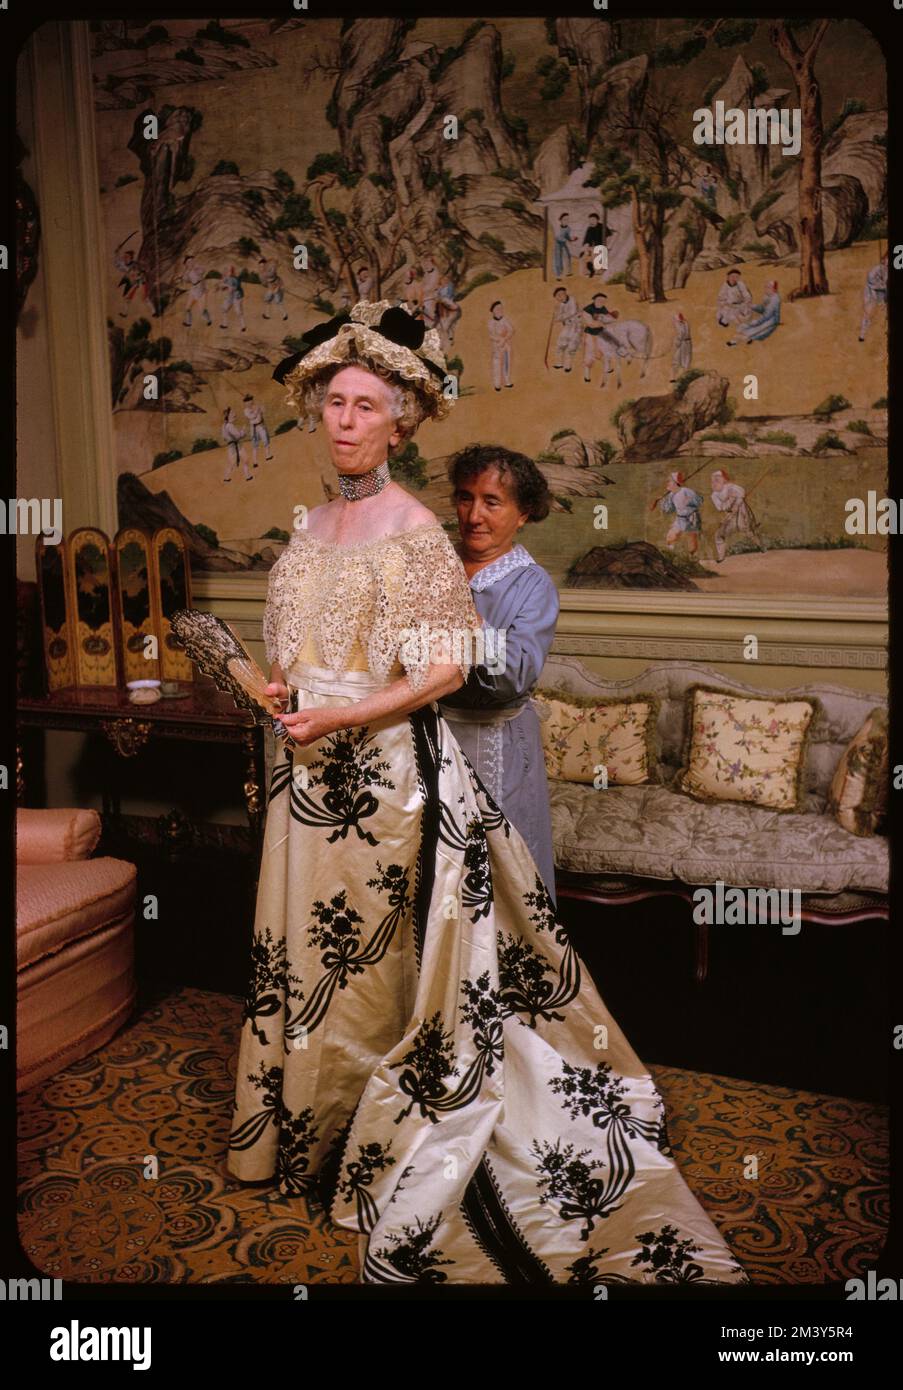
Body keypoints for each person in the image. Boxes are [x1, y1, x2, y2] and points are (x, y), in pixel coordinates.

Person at [226, 299, 747, 1288]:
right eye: (331, 400)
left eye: (363, 404)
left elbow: (441, 673)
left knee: (371, 970)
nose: (342, 419)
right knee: (295, 952)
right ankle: (291, 1135)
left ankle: (373, 1148)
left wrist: (343, 715)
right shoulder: (313, 526)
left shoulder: (417, 531)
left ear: (399, 422)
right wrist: (279, 688)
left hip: (379, 784)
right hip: (302, 776)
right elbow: (307, 651)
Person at [440, 445, 559, 902]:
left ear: (523, 513)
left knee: (497, 878)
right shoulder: (436, 565)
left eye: (492, 502)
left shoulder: (533, 585)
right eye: (465, 497)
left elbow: (514, 675)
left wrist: (466, 620)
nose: (473, 515)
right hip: (429, 737)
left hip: (498, 746)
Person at [710, 468, 761, 562]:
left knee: (747, 530)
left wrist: (737, 503)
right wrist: (730, 503)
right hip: (729, 516)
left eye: (717, 480)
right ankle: (721, 557)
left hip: (742, 512)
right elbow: (720, 507)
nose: (714, 483)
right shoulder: (714, 495)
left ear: (724, 480)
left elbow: (741, 493)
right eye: (712, 481)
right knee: (719, 535)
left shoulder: (731, 487)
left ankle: (760, 546)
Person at [659, 470, 703, 555]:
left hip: (691, 519)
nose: (667, 483)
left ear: (675, 483)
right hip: (680, 519)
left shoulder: (686, 491)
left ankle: (693, 557)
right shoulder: (671, 495)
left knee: (691, 540)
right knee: (670, 537)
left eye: (669, 481)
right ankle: (670, 554)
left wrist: (689, 501)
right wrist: (663, 502)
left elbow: (700, 500)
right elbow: (669, 510)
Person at [726, 279, 781, 346]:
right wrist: (752, 306)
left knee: (751, 330)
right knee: (744, 327)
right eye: (766, 286)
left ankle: (736, 341)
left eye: (768, 287)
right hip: (765, 319)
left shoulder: (774, 299)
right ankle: (736, 341)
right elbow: (763, 309)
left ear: (773, 289)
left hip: (771, 322)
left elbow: (767, 315)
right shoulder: (768, 297)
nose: (765, 288)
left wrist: (755, 322)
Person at [582, 291, 618, 383]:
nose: (601, 302)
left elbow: (608, 317)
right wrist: (603, 323)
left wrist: (612, 318)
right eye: (599, 300)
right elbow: (590, 324)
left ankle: (608, 367)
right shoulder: (587, 310)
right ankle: (587, 375)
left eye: (603, 301)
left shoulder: (603, 308)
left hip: (601, 334)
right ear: (594, 300)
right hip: (591, 334)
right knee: (591, 353)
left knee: (607, 349)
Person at [550, 285, 582, 372]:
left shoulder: (572, 300)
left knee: (571, 347)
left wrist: (558, 319)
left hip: (576, 327)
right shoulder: (561, 304)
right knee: (560, 344)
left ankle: (568, 366)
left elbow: (572, 312)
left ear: (565, 293)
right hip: (567, 326)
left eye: (561, 295)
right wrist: (556, 316)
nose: (560, 297)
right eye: (558, 296)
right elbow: (559, 315)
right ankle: (559, 363)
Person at [859, 252, 888, 342]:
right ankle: (862, 335)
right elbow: (871, 280)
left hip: (883, 293)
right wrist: (882, 285)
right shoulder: (877, 269)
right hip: (871, 293)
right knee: (869, 313)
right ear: (884, 260)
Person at [487, 299, 514, 390]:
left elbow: (511, 331)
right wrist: (499, 340)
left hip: (506, 345)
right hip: (497, 346)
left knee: (506, 363)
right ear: (493, 311)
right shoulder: (491, 322)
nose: (500, 310)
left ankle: (507, 381)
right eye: (498, 309)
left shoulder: (505, 320)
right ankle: (497, 384)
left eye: (501, 308)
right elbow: (491, 335)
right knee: (497, 364)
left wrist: (504, 339)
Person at [222, 405, 253, 482]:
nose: (234, 414)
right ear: (228, 416)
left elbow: (225, 437)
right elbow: (238, 436)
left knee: (245, 460)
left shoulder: (225, 425)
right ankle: (227, 477)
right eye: (232, 413)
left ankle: (247, 476)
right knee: (233, 463)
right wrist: (243, 431)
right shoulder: (229, 426)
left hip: (236, 446)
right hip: (234, 447)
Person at [243, 393, 274, 463]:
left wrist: (261, 408)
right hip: (254, 428)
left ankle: (268, 455)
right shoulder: (246, 410)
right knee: (255, 444)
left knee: (265, 440)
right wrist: (256, 410)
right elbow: (252, 416)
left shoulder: (256, 406)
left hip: (261, 425)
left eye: (250, 400)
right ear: (245, 403)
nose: (249, 402)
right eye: (247, 401)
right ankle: (255, 461)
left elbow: (263, 411)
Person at [580, 211, 606, 278]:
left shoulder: (602, 227)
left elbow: (610, 236)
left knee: (595, 253)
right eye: (590, 220)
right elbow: (587, 240)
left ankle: (597, 271)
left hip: (600, 246)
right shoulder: (589, 228)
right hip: (591, 247)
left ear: (597, 219)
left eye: (593, 220)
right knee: (583, 257)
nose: (592, 221)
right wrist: (585, 248)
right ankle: (586, 272)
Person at [552, 211, 578, 278]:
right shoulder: (557, 228)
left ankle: (568, 272)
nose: (566, 221)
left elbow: (567, 236)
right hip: (557, 245)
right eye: (564, 219)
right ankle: (558, 275)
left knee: (568, 256)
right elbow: (557, 237)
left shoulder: (568, 228)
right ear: (560, 220)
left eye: (567, 219)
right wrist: (566, 240)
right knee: (558, 259)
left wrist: (572, 239)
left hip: (564, 244)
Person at [671, 311, 692, 380]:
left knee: (677, 359)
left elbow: (681, 334)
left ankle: (674, 377)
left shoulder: (679, 324)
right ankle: (684, 377)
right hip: (688, 342)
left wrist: (677, 343)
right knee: (687, 359)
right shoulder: (686, 323)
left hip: (682, 343)